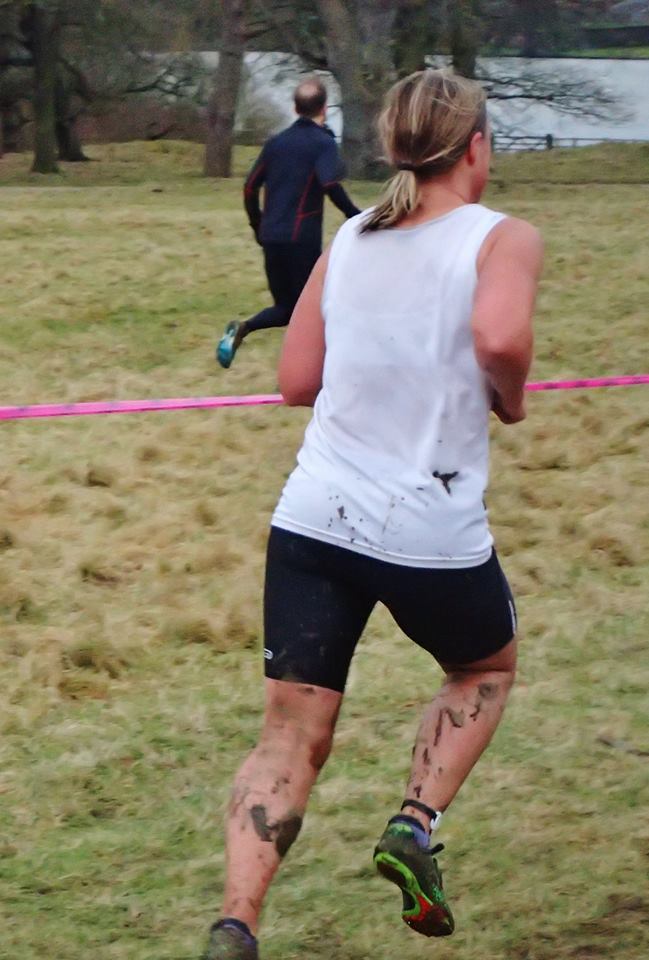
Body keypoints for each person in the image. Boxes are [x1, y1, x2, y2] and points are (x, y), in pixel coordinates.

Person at [203, 68, 543, 960]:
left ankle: (235, 925)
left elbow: (294, 381)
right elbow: (499, 337)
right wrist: (507, 397)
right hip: (425, 523)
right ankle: (412, 825)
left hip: (314, 517)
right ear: (475, 148)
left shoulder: (351, 237)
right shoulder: (501, 237)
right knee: (483, 666)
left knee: (289, 734)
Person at [216, 77, 360, 369]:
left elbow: (249, 187)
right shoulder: (323, 143)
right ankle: (326, 370)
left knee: (286, 308)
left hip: (272, 237)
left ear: (295, 108)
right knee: (319, 307)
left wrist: (258, 225)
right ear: (325, 108)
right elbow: (330, 184)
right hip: (302, 239)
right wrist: (357, 217)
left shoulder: (276, 143)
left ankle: (242, 329)